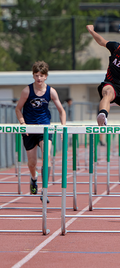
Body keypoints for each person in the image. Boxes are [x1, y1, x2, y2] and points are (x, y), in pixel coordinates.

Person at [15, 61, 66, 195]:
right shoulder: (27, 91)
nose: (39, 78)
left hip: (44, 128)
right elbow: (18, 109)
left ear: (46, 76)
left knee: (46, 156)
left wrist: (63, 127)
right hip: (29, 130)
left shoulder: (51, 91)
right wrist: (23, 124)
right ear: (33, 76)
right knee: (32, 163)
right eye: (36, 75)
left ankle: (45, 189)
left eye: (41, 75)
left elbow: (61, 111)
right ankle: (33, 178)